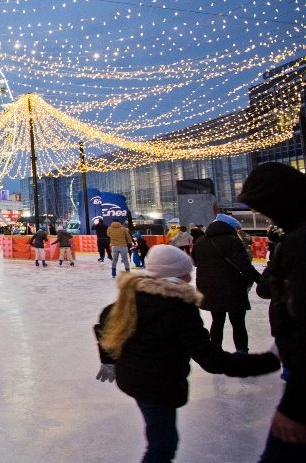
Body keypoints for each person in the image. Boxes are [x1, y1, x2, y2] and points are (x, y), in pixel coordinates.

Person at [94, 245, 279, 463]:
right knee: (162, 446)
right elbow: (211, 359)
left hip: (133, 378)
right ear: (175, 274)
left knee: (160, 440)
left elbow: (105, 324)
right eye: (186, 271)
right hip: (156, 384)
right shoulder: (179, 307)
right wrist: (269, 361)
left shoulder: (134, 295)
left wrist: (109, 360)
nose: (191, 275)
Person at [235, 162, 306, 460]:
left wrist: (295, 406)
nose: (265, 216)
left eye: (264, 207)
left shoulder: (300, 244)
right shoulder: (295, 238)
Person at [193, 213, 260, 354]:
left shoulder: (200, 242)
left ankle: (216, 352)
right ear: (230, 227)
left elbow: (195, 262)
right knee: (238, 323)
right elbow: (244, 266)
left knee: (217, 321)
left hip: (208, 288)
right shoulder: (232, 241)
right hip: (232, 288)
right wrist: (261, 280)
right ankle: (241, 352)